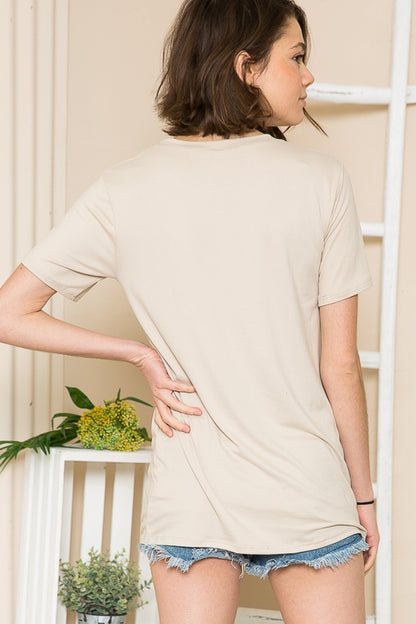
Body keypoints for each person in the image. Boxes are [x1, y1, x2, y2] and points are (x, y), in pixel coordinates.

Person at [0, 0, 379, 622]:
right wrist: (363, 499)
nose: (309, 76)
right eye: (298, 57)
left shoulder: (124, 189)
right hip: (306, 482)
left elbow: (10, 311)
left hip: (192, 488)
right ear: (246, 66)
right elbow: (337, 366)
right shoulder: (321, 182)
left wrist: (138, 354)